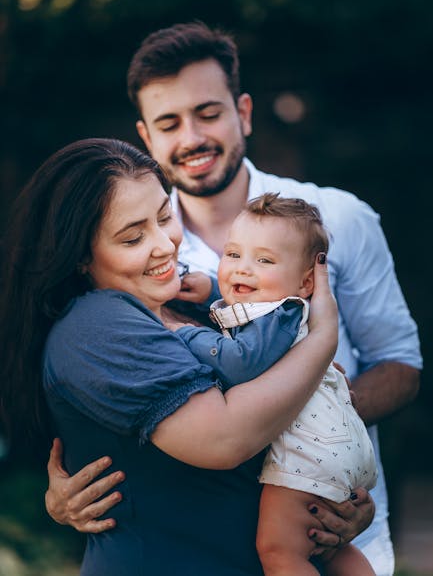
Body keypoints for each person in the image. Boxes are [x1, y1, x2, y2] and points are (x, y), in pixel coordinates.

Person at [44, 22, 422, 575]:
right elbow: (115, 395)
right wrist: (58, 499)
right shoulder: (154, 263)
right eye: (169, 123)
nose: (192, 136)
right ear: (146, 138)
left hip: (343, 519)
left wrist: (321, 449)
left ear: (243, 112)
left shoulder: (339, 219)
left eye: (209, 112)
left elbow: (402, 366)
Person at [0, 138, 343, 575]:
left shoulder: (197, 303)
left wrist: (337, 500)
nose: (164, 244)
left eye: (165, 216)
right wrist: (323, 336)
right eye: (133, 237)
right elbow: (224, 438)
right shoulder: (95, 326)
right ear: (81, 256)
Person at [170, 192, 377, 576]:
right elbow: (249, 315)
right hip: (337, 449)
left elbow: (239, 360)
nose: (242, 270)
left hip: (309, 451)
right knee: (327, 550)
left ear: (305, 283)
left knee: (279, 551)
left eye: (264, 260)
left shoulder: (281, 314)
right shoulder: (281, 314)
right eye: (233, 255)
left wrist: (183, 334)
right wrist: (212, 294)